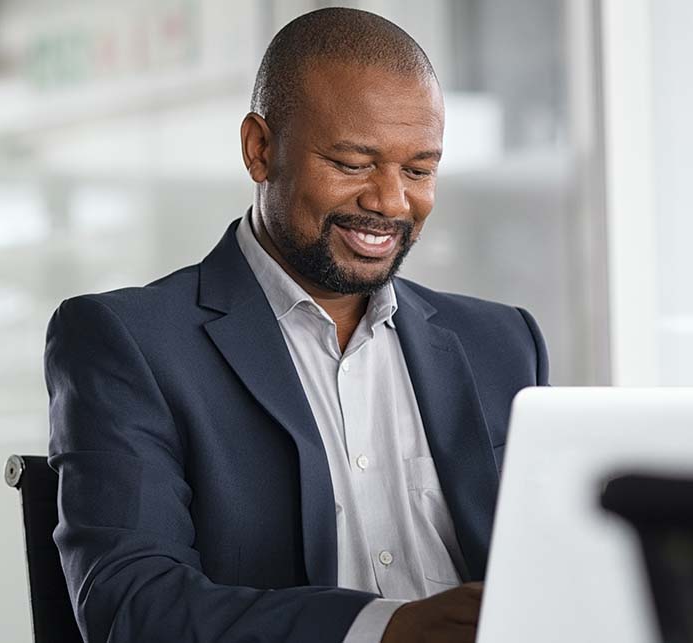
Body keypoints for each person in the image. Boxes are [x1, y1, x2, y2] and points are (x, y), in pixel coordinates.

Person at [44, 7, 547, 643]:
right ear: (260, 150)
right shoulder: (128, 342)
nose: (391, 202)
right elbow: (133, 607)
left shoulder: (502, 344)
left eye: (419, 170)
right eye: (352, 163)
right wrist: (384, 630)